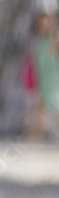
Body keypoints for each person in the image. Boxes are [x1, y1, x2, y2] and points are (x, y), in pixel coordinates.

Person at [26, 12, 59, 142]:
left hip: (52, 77)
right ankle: (35, 134)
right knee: (39, 107)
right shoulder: (39, 40)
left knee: (52, 106)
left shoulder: (53, 38)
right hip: (41, 77)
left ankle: (35, 135)